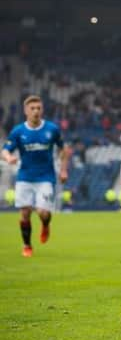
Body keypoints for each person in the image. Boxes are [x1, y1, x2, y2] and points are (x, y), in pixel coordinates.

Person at [1, 95, 69, 257]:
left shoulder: (51, 129)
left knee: (42, 213)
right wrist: (9, 157)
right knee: (25, 212)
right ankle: (27, 245)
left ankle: (45, 225)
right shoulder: (18, 131)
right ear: (26, 111)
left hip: (46, 177)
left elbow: (62, 149)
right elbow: (5, 150)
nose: (36, 111)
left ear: (42, 110)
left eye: (38, 108)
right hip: (24, 177)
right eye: (32, 108)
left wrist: (64, 170)